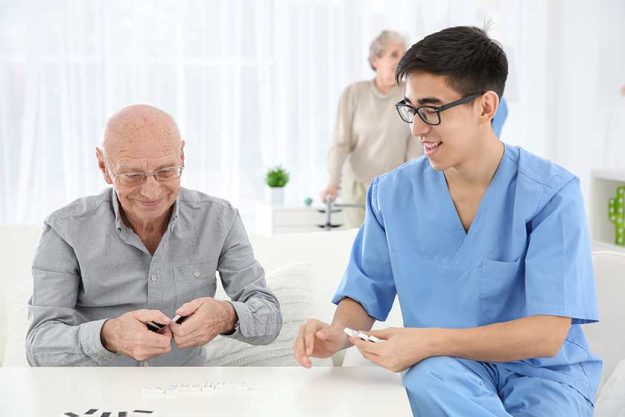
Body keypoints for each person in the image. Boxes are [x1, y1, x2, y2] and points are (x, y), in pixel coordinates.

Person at [295, 26, 601, 416]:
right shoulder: (391, 194)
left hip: (544, 376)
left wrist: (426, 341)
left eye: (432, 109)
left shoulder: (551, 194)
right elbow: (365, 291)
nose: (417, 127)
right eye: (410, 109)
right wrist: (337, 334)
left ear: (486, 107)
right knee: (429, 378)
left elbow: (547, 334)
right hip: (450, 373)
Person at [26, 104, 282, 366]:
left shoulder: (220, 219)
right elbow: (39, 345)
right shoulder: (66, 229)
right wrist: (107, 336)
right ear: (103, 166)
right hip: (97, 395)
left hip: (187, 396)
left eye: (166, 171)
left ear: (181, 156)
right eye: (133, 175)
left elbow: (269, 317)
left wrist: (227, 316)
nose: (151, 192)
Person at [320, 30, 422, 228]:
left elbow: (415, 146)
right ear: (376, 59)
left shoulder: (410, 95)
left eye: (403, 55)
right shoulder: (354, 93)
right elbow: (340, 142)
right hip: (357, 188)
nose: (400, 60)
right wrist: (333, 182)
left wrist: (411, 186)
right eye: (394, 54)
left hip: (394, 188)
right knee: (357, 246)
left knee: (389, 247)